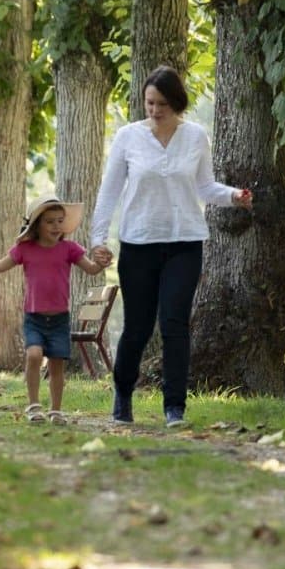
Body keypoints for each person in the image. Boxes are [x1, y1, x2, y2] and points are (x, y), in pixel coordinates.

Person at [88, 65, 253, 429]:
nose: (155, 110)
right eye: (149, 103)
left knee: (175, 323)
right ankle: (123, 393)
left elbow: (204, 187)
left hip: (185, 242)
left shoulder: (195, 137)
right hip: (139, 243)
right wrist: (97, 239)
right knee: (138, 328)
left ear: (176, 103)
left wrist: (233, 196)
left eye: (162, 103)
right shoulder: (128, 138)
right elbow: (109, 191)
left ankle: (174, 407)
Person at [0, 195, 107, 425]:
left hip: (59, 319)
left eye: (60, 221)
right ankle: (34, 405)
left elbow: (92, 269)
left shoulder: (69, 249)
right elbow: (2, 266)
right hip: (34, 318)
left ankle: (55, 410)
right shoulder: (25, 249)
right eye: (50, 221)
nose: (56, 226)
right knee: (33, 355)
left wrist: (101, 262)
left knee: (56, 364)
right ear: (37, 225)